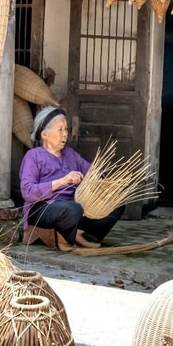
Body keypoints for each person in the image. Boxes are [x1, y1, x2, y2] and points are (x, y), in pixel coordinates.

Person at [19, 106, 124, 251]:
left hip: (74, 208)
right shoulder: (34, 156)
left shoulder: (70, 154)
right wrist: (62, 181)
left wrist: (107, 182)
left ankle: (77, 234)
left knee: (116, 204)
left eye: (66, 129)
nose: (65, 134)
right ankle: (68, 237)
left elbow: (91, 171)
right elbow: (27, 191)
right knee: (72, 209)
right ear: (45, 134)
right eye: (60, 129)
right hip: (43, 208)